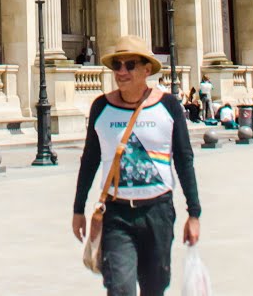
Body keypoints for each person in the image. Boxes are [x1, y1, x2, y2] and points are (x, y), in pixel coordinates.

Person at [72, 35, 201, 296]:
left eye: (129, 65)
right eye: (117, 65)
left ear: (146, 70)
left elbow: (184, 159)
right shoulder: (101, 107)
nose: (121, 71)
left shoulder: (168, 106)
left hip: (158, 212)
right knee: (120, 288)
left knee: (155, 288)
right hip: (116, 213)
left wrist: (194, 213)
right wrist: (78, 209)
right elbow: (89, 161)